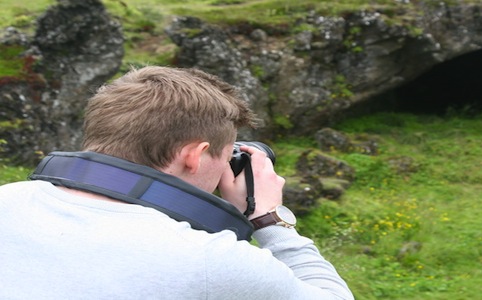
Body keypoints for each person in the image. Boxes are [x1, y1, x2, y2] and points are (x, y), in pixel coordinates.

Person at [0, 66, 354, 299]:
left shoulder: (8, 200)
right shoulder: (210, 261)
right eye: (226, 156)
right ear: (195, 156)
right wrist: (269, 219)